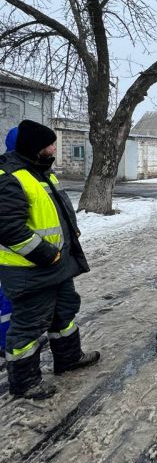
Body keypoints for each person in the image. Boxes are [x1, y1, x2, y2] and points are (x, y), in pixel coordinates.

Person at [0, 119, 100, 399]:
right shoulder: (10, 178)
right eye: (50, 145)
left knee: (64, 313)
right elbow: (8, 228)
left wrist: (70, 234)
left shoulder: (41, 172)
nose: (54, 149)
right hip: (30, 269)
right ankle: (25, 383)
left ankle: (68, 358)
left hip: (56, 266)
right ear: (35, 148)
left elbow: (55, 212)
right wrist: (47, 254)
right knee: (28, 325)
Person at [0, 127, 19, 357]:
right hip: (9, 252)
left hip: (11, 250)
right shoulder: (10, 174)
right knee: (8, 299)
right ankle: (6, 342)